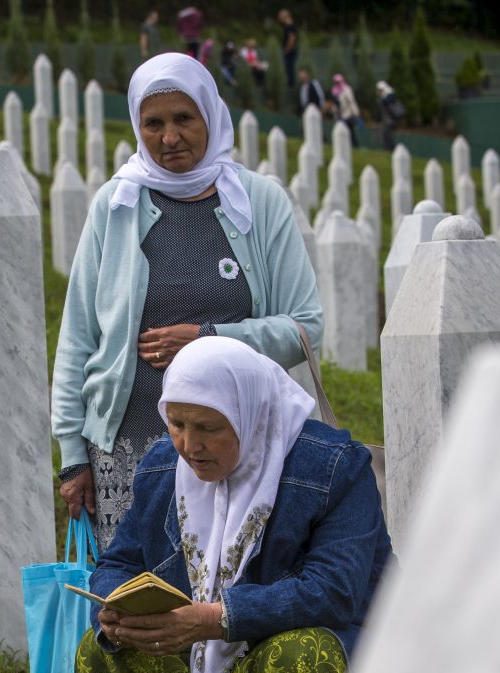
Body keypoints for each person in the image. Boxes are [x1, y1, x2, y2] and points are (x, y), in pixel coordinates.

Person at [74, 337, 392, 673]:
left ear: (251, 413)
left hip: (307, 652)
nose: (188, 445)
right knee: (101, 651)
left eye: (208, 428)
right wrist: (116, 611)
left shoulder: (333, 467)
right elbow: (118, 562)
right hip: (198, 646)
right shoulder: (163, 468)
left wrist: (216, 619)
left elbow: (334, 592)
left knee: (299, 656)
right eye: (176, 423)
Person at [51, 53, 324, 549]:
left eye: (183, 119)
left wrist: (207, 340)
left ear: (210, 116)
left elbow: (304, 328)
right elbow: (78, 337)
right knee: (138, 600)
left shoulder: (259, 201)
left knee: (229, 596)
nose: (169, 138)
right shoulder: (116, 205)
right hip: (128, 446)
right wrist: (73, 453)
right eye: (152, 123)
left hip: (240, 447)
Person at [331, 72, 361, 146]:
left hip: (347, 114)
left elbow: (351, 102)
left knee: (349, 132)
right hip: (339, 115)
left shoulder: (347, 90)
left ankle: (355, 146)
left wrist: (356, 112)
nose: (337, 83)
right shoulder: (334, 91)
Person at [375, 79, 405, 151]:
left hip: (390, 121)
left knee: (388, 137)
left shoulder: (388, 96)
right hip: (387, 121)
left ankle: (390, 150)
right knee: (386, 136)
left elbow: (386, 103)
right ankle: (388, 150)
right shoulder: (386, 96)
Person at [278, 9, 298, 92]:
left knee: (290, 68)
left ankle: (291, 86)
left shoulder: (290, 25)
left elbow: (292, 37)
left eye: (280, 16)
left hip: (290, 51)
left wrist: (287, 48)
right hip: (290, 50)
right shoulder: (289, 25)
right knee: (288, 68)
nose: (279, 18)